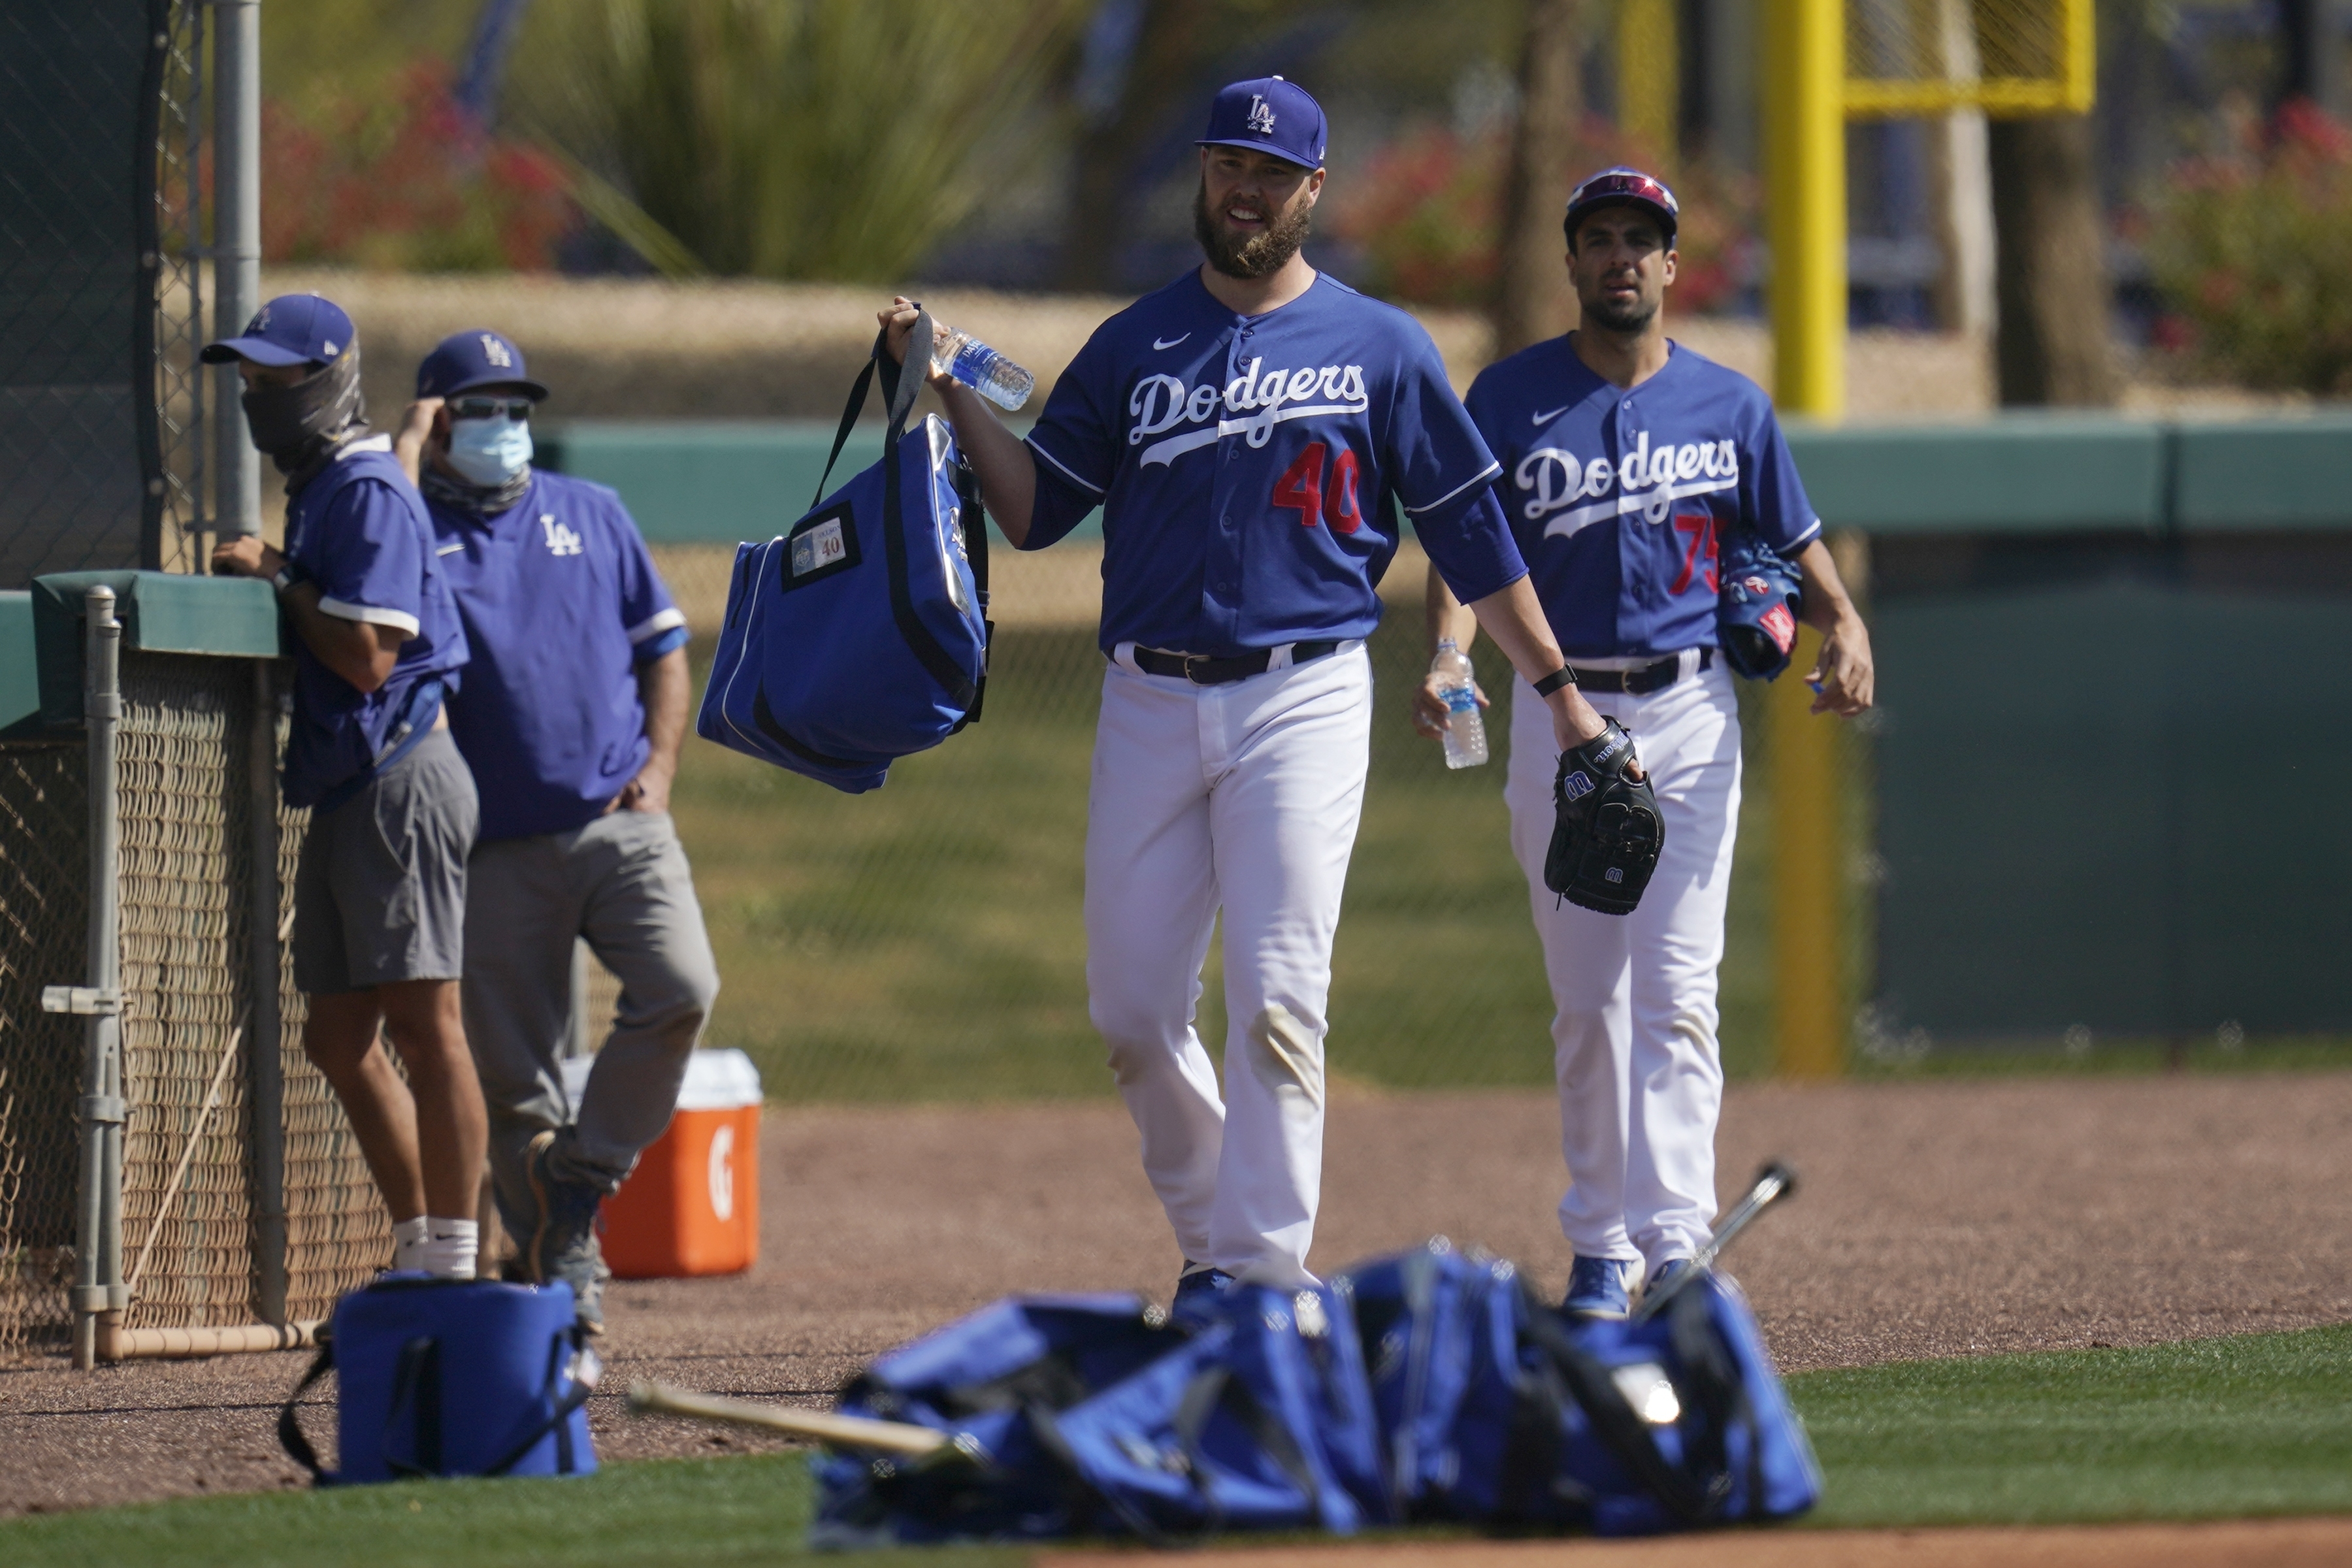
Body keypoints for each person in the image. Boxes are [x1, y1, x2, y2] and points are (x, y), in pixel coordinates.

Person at [879, 77, 1618, 1298]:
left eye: (1273, 172)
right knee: (1130, 1011)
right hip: (1149, 699)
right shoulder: (1134, 342)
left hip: (1306, 694)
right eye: (1230, 163)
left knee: (1281, 998)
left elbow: (1475, 536)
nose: (1246, 188)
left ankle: (1261, 1281)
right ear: (1205, 176)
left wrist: (1561, 695)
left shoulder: (1382, 345)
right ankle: (1221, 1242)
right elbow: (1033, 512)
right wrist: (949, 385)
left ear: (1313, 191)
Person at [1416, 168, 1876, 1317]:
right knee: (1589, 1002)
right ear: (1571, 264)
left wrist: (1847, 621)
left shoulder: (1729, 405)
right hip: (1561, 716)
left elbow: (1794, 538)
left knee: (1677, 988)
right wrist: (1446, 655)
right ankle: (1599, 1244)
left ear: (1672, 267)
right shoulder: (1509, 399)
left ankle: (1674, 1243)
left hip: (1691, 712)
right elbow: (1469, 553)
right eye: (1601, 237)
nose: (1622, 256)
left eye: (1643, 240)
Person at [394, 329, 718, 1332]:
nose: (504, 426)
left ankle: (582, 1176)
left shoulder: (592, 512)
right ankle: (556, 1287)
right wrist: (405, 454)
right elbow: (376, 575)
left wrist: (659, 770)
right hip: (490, 849)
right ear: (438, 421)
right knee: (514, 1081)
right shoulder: (407, 531)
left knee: (681, 989)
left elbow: (663, 649)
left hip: (618, 822)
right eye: (478, 409)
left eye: (514, 407)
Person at [204, 294, 485, 1280]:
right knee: (337, 1034)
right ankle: (420, 1241)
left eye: (275, 381)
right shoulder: (335, 483)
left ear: (324, 381)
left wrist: (276, 575)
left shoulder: (360, 490)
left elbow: (367, 656)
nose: (257, 399)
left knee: (424, 1019)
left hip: (401, 771)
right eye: (249, 383)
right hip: (348, 782)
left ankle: (456, 1254)